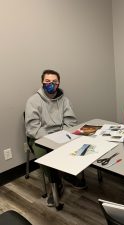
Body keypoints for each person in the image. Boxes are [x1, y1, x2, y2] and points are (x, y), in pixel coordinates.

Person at [25, 69, 87, 207]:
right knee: (43, 153)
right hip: (39, 137)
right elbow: (32, 128)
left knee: (77, 144)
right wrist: (51, 139)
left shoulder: (65, 100)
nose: (51, 84)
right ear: (42, 82)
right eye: (47, 81)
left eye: (54, 82)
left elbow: (71, 122)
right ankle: (56, 183)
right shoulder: (32, 101)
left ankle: (68, 174)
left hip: (61, 134)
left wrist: (62, 136)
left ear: (59, 83)